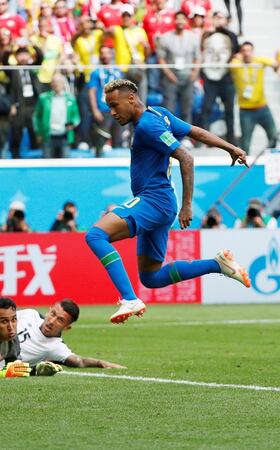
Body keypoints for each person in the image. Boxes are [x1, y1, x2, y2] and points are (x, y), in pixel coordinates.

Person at [86, 79, 251, 324]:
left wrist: (187, 205)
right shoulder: (159, 114)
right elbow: (195, 131)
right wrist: (230, 147)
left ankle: (129, 298)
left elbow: (186, 157)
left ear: (131, 99)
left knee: (96, 236)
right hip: (161, 204)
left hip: (154, 201)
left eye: (114, 105)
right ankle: (217, 264)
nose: (112, 112)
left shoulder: (147, 126)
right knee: (151, 277)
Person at [230, 42, 277, 154]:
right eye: (244, 51)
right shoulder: (237, 64)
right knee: (245, 143)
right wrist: (237, 57)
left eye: (249, 50)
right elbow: (232, 66)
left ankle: (269, 158)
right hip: (246, 111)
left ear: (252, 51)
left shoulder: (259, 61)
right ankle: (246, 168)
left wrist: (277, 66)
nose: (247, 53)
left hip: (262, 108)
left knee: (274, 136)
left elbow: (274, 64)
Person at [156, 12, 201, 125]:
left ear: (186, 21)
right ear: (174, 21)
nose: (180, 21)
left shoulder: (193, 37)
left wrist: (194, 73)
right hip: (171, 78)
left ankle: (186, 138)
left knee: (187, 108)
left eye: (182, 19)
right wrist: (169, 74)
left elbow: (198, 57)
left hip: (188, 77)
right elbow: (161, 59)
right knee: (169, 109)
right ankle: (169, 136)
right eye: (177, 19)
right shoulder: (165, 38)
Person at [201, 12, 238, 144]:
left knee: (229, 110)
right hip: (209, 78)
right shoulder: (207, 34)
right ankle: (202, 140)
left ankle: (231, 140)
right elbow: (202, 50)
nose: (219, 21)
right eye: (216, 18)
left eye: (221, 18)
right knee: (206, 108)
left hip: (226, 77)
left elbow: (236, 52)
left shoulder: (231, 35)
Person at [33, 73, 81, 158]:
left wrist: (73, 123)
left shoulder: (70, 98)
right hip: (48, 136)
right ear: (51, 84)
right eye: (54, 82)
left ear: (63, 84)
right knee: (47, 164)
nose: (56, 84)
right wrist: (38, 132)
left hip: (64, 136)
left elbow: (76, 116)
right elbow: (37, 116)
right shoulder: (43, 98)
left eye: (59, 82)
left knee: (65, 165)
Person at [88, 46, 125, 155]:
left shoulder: (118, 71)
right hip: (103, 109)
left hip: (118, 110)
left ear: (111, 54)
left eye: (107, 53)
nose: (105, 55)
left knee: (117, 139)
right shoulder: (96, 72)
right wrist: (95, 109)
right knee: (101, 139)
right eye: (102, 53)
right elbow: (92, 91)